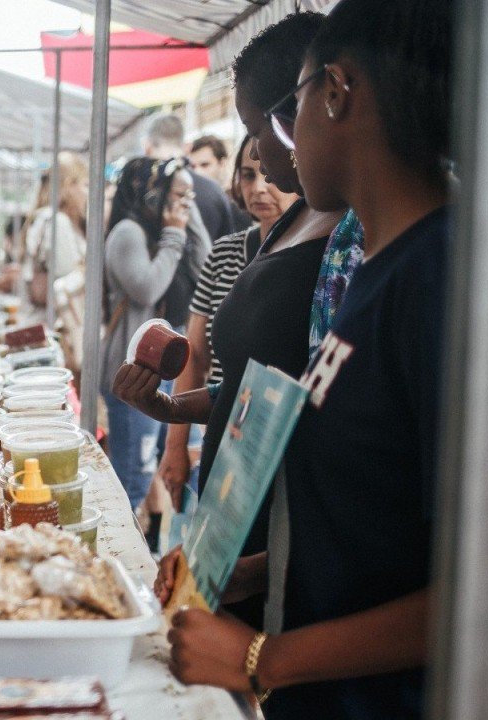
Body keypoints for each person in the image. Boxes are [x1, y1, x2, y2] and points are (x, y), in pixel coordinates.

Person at [161, 1, 451, 716]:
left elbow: (483, 579)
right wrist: (246, 576)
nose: (269, 153)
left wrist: (266, 657)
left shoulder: (439, 278)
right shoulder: (370, 273)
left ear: (335, 90)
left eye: (286, 110)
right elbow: (368, 520)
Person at [115, 11, 350, 629]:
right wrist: (173, 412)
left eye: (257, 128)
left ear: (304, 108)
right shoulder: (286, 229)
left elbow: (323, 411)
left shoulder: (354, 247)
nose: (256, 152)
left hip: (296, 547)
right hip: (235, 525)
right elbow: (262, 388)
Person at [153, 135, 300, 506]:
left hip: (277, 450)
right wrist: (175, 446)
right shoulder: (224, 252)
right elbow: (195, 357)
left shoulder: (313, 257)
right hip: (217, 434)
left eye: (268, 174)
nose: (259, 188)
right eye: (248, 175)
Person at [99, 157, 209, 509]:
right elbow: (147, 289)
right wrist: (174, 235)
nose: (184, 204)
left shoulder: (170, 230)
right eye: (178, 195)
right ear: (152, 195)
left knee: (177, 460)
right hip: (136, 369)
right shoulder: (129, 233)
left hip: (170, 365)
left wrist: (187, 224)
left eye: (190, 196)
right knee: (135, 474)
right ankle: (119, 555)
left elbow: (207, 270)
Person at [144, 115, 247, 238]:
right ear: (186, 148)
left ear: (147, 147)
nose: (199, 171)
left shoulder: (138, 190)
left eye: (205, 165)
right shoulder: (214, 192)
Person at [20, 152, 88, 325]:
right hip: (57, 328)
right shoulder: (58, 222)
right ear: (68, 186)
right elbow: (67, 282)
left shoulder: (52, 219)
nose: (88, 193)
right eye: (85, 185)